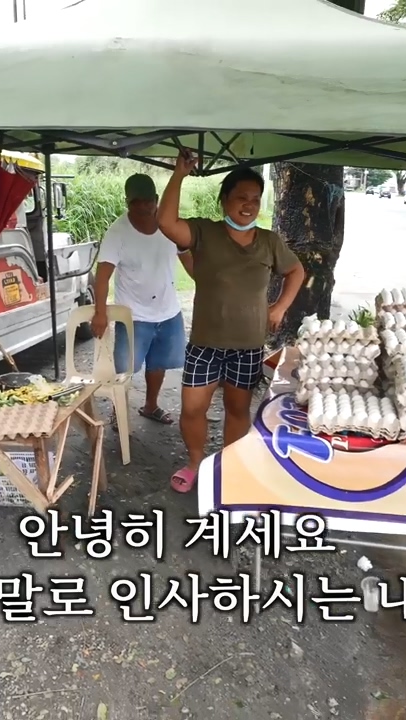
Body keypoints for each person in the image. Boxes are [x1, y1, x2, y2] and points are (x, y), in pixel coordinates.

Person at [157, 150, 306, 493]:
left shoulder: (269, 241)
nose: (249, 205)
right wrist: (179, 174)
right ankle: (195, 463)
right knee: (193, 409)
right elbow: (166, 223)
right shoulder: (203, 232)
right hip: (205, 345)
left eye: (255, 198)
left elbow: (296, 270)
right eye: (241, 197)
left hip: (247, 346)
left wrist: (281, 307)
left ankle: (228, 466)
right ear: (224, 200)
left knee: (237, 410)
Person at [91, 173, 195, 425]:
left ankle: (151, 406)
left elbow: (188, 258)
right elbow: (102, 276)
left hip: (168, 311)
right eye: (136, 202)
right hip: (133, 316)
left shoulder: (169, 227)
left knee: (159, 363)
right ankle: (118, 410)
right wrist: (101, 313)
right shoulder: (118, 232)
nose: (143, 207)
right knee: (124, 369)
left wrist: (206, 284)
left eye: (148, 201)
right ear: (127, 202)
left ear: (157, 200)